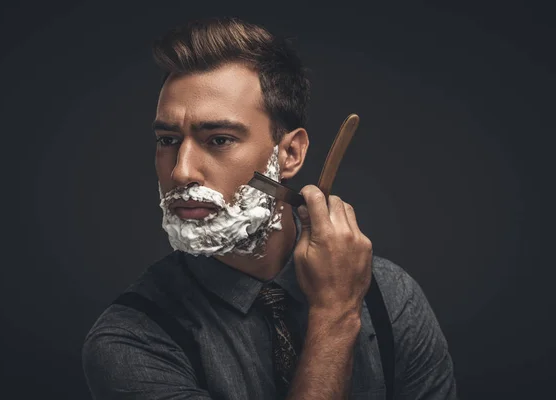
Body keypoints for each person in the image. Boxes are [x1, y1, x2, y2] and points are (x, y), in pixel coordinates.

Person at [82, 16, 458, 400]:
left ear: (290, 153)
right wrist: (335, 316)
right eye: (167, 140)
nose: (181, 172)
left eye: (219, 139)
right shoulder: (132, 338)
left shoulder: (390, 297)